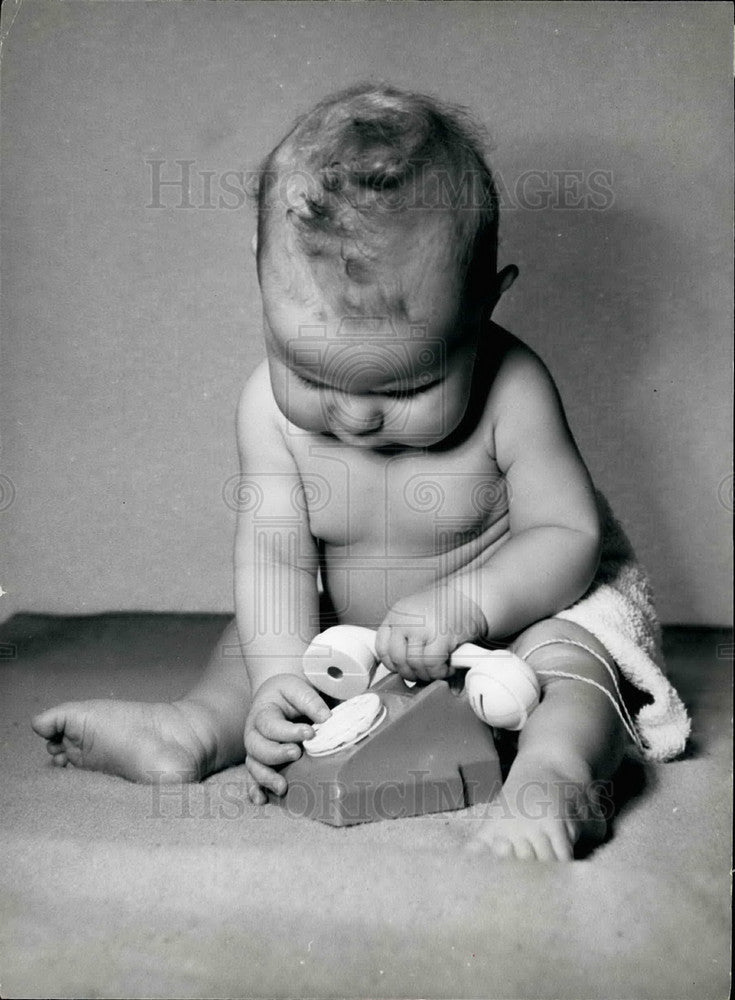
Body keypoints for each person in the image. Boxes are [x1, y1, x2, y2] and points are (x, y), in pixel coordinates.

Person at [32, 84, 689, 860]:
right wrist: (282, 678)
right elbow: (275, 556)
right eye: (309, 374)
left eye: (404, 386)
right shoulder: (265, 414)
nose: (353, 415)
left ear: (484, 308)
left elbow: (566, 532)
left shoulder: (513, 387)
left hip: (508, 630)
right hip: (359, 643)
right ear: (259, 288)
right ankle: (194, 730)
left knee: (574, 664)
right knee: (254, 639)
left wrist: (469, 604)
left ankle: (555, 773)